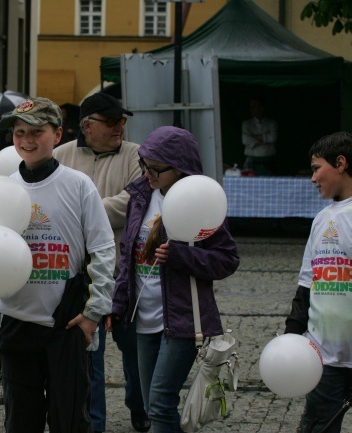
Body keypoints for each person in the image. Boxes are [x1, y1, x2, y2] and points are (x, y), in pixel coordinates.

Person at [107, 126, 240, 432]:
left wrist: (181, 256)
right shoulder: (140, 196)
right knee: (149, 403)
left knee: (160, 401)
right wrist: (118, 304)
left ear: (179, 169)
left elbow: (227, 259)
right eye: (144, 166)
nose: (147, 174)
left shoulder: (199, 200)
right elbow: (128, 256)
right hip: (142, 318)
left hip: (181, 319)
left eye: (155, 169)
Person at [0, 97, 116, 433]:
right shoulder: (4, 189)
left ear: (58, 134)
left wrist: (93, 313)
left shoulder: (78, 186)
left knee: (70, 420)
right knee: (20, 420)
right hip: (18, 321)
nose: (27, 139)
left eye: (37, 131)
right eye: (19, 132)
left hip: (66, 322)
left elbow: (104, 250)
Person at [53, 92, 149, 433]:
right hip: (78, 274)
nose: (119, 128)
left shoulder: (136, 155)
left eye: (122, 121)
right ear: (87, 125)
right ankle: (94, 425)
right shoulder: (61, 155)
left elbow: (134, 201)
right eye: (110, 121)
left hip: (123, 272)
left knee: (134, 349)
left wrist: (82, 213)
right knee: (88, 355)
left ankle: (140, 406)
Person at [284, 131, 352, 433]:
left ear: (340, 163)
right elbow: (307, 283)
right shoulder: (321, 218)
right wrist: (292, 334)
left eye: (316, 168)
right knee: (318, 427)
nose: (312, 178)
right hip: (323, 357)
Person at [242, 96, 278, 175]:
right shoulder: (247, 124)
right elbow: (245, 140)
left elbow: (272, 138)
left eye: (254, 106)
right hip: (252, 161)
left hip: (268, 161)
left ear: (261, 108)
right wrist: (265, 140)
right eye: (251, 106)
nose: (252, 109)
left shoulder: (271, 123)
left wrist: (253, 137)